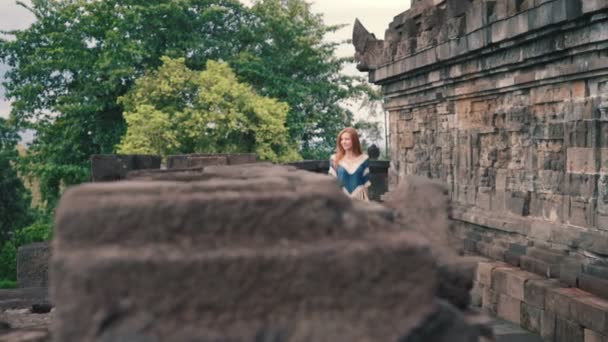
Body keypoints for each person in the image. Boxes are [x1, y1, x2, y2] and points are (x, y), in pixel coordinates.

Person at [328, 127, 371, 201]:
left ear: (354, 140)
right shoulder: (334, 159)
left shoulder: (364, 159)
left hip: (359, 200)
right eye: (342, 139)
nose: (343, 142)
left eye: (347, 139)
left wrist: (367, 205)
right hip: (341, 200)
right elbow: (331, 185)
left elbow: (366, 184)